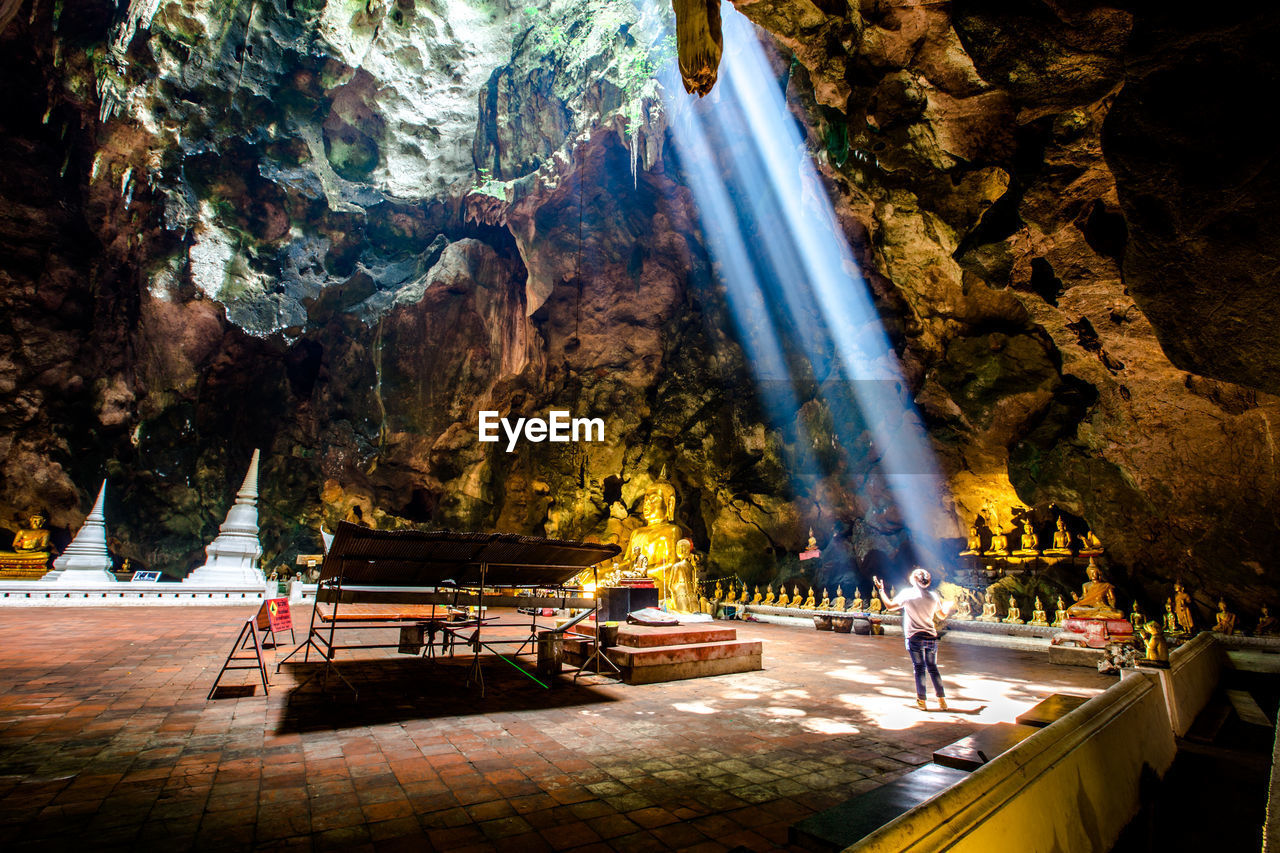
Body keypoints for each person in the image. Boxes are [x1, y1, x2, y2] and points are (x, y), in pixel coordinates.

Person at [875, 569, 954, 711]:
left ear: (914, 580)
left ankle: (922, 701)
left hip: (914, 636)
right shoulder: (933, 596)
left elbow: (890, 606)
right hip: (930, 635)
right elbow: (941, 616)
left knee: (919, 668)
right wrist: (947, 609)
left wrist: (881, 591)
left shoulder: (908, 594)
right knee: (933, 668)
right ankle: (942, 700)